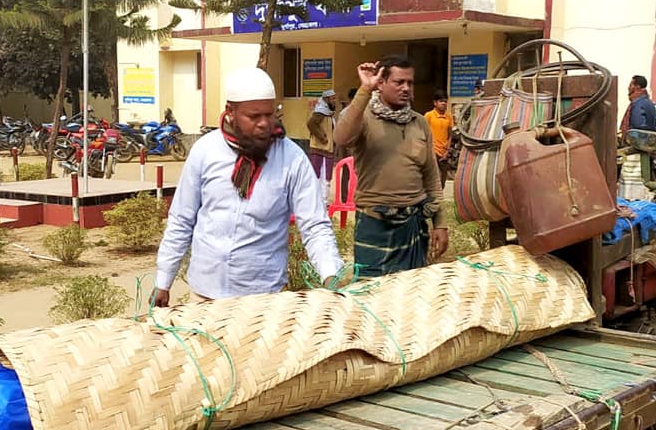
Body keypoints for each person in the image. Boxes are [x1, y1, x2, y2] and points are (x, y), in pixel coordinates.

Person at [152, 67, 344, 306]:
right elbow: (181, 219)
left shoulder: (291, 158)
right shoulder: (205, 151)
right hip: (205, 296)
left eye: (269, 114)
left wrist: (331, 275)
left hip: (264, 300)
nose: (264, 123)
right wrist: (163, 281)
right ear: (230, 112)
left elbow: (314, 225)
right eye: (254, 117)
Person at [332, 54, 449, 278]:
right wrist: (364, 89)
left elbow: (431, 177)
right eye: (399, 82)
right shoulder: (363, 118)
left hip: (413, 227)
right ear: (381, 83)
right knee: (371, 297)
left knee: (411, 298)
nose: (406, 88)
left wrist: (440, 223)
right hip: (375, 226)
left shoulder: (420, 123)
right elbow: (341, 137)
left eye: (410, 82)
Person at [306, 89, 339, 201]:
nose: (335, 101)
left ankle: (322, 201)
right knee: (319, 176)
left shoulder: (327, 112)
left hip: (327, 149)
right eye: (333, 98)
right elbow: (311, 124)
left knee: (326, 177)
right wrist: (322, 137)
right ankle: (318, 201)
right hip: (320, 148)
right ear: (326, 99)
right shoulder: (320, 112)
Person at [424, 89, 454, 187]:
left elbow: (450, 135)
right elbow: (423, 133)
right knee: (432, 177)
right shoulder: (429, 116)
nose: (443, 103)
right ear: (435, 103)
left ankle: (439, 198)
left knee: (443, 179)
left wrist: (447, 151)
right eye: (441, 101)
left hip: (444, 152)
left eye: (445, 101)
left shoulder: (449, 116)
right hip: (432, 151)